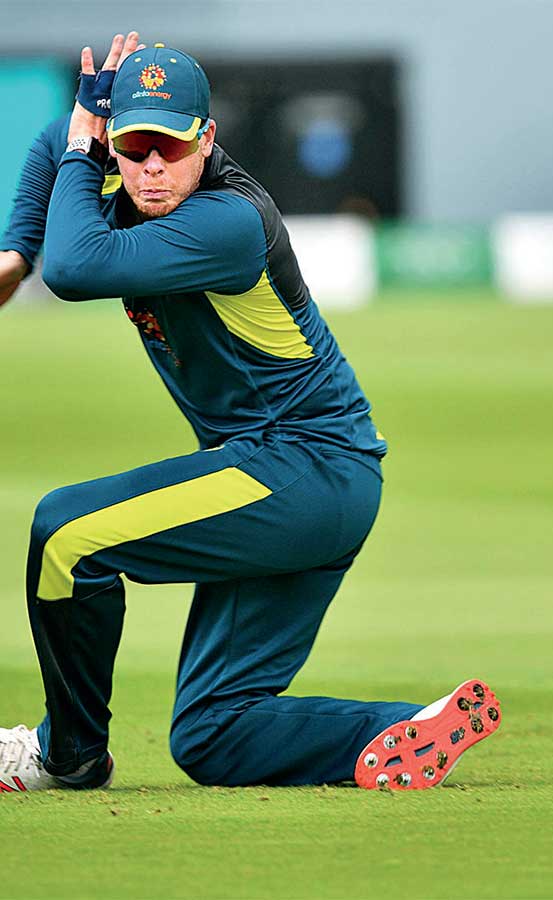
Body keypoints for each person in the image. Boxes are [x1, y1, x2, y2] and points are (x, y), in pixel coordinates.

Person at [0, 33, 500, 793]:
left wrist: (78, 156)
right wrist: (14, 249)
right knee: (213, 734)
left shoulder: (230, 222)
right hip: (296, 479)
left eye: (169, 146)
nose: (151, 167)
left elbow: (73, 266)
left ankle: (65, 753)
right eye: (133, 146)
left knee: (67, 534)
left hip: (299, 467)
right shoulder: (133, 176)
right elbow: (49, 143)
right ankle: (400, 729)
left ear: (207, 139)